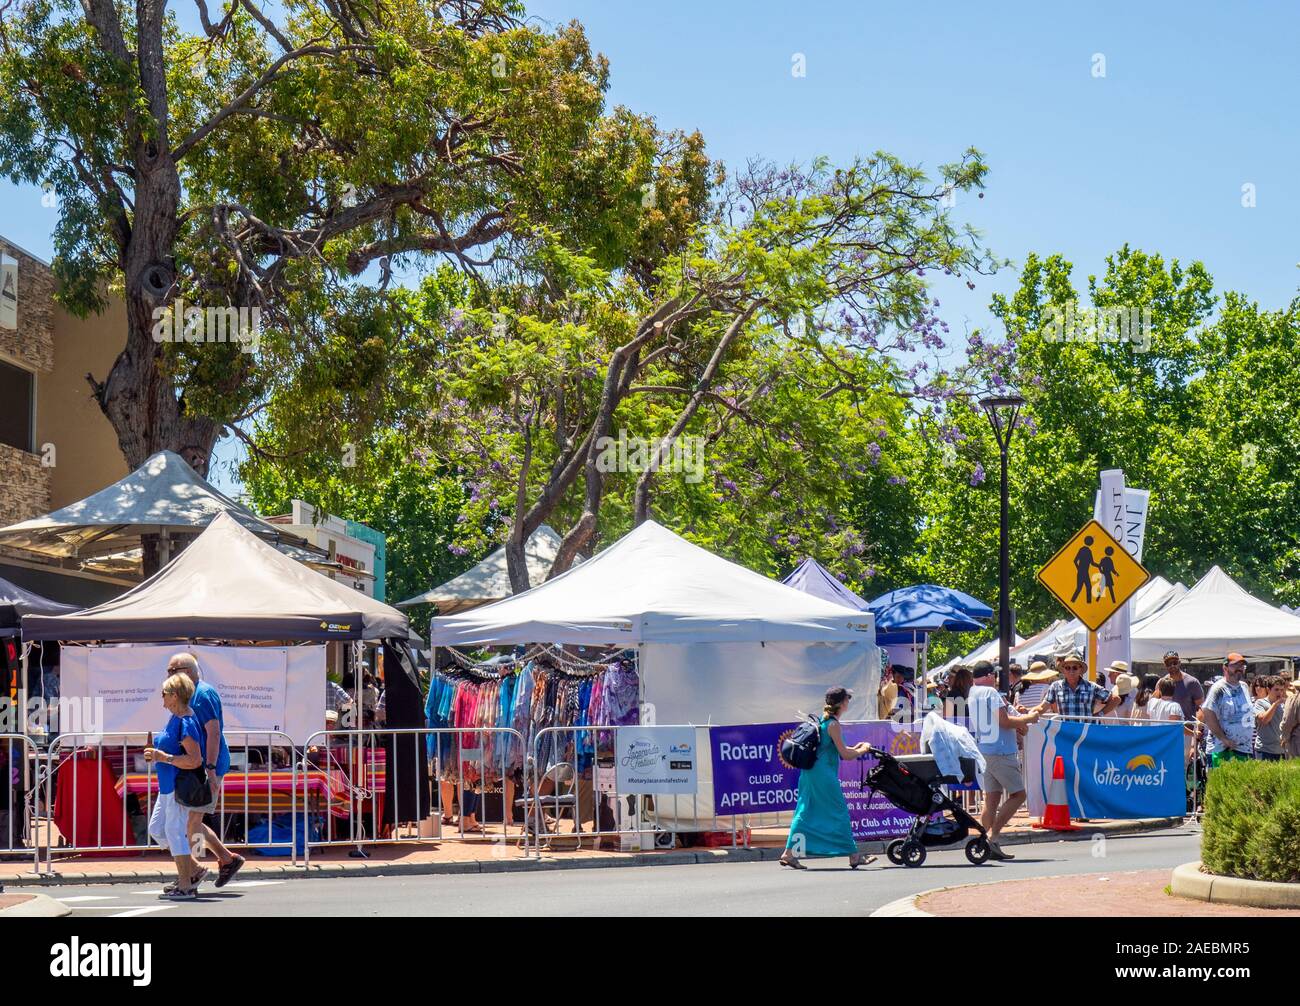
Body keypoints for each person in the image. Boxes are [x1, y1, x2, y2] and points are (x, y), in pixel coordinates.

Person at [167, 653, 245, 888]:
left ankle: (193, 871)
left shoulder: (203, 694)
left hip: (208, 765)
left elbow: (213, 731)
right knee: (192, 820)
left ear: (187, 670)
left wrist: (210, 769)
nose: (169, 675)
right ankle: (224, 860)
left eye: (172, 671)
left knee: (191, 821)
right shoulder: (190, 694)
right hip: (199, 765)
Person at [780, 687, 875, 870]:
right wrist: (865, 748)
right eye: (847, 698)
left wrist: (857, 747)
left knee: (805, 811)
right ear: (841, 703)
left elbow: (835, 749)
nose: (849, 700)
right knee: (839, 810)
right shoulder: (833, 725)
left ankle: (789, 853)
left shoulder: (825, 722)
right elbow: (845, 755)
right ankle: (854, 856)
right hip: (824, 775)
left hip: (810, 773)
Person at [968, 661, 1042, 860]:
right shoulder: (990, 693)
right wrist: (1028, 719)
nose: (996, 679)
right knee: (1018, 795)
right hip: (1001, 751)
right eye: (995, 675)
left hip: (985, 750)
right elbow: (1004, 721)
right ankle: (993, 837)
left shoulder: (973, 693)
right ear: (990, 675)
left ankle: (982, 843)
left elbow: (1002, 720)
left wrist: (1019, 722)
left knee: (991, 799)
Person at [143, 673, 206, 900]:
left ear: (175, 695)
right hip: (167, 786)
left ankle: (185, 884)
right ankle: (193, 870)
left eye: (164, 694)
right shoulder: (175, 718)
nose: (162, 699)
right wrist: (157, 756)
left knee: (173, 831)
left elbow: (194, 760)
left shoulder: (186, 722)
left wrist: (163, 757)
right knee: (157, 829)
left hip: (178, 786)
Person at [1201, 653, 1255, 767]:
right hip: (1223, 749)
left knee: (1242, 784)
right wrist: (1224, 739)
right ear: (1225, 667)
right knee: (1222, 784)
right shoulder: (1218, 688)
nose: (1239, 669)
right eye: (1235, 666)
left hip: (1244, 748)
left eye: (1242, 666)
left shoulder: (1244, 686)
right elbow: (1207, 713)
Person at [1037, 651, 1119, 719]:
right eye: (1067, 668)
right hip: (1065, 733)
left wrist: (1099, 715)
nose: (1071, 671)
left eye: (1075, 667)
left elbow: (1115, 699)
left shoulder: (1091, 687)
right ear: (1064, 670)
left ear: (1080, 670)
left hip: (1085, 733)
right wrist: (1027, 712)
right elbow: (1042, 708)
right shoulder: (1055, 686)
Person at [1157, 651, 1204, 722]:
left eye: (1175, 662)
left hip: (1188, 729)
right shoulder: (1161, 683)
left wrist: (1197, 725)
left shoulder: (1192, 682)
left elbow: (1200, 707)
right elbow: (1155, 704)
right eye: (1168, 663)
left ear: (1179, 663)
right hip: (1167, 729)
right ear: (1165, 665)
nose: (1172, 665)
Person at [1253, 675, 1287, 761]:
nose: (1279, 692)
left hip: (1281, 751)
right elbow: (1264, 720)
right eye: (1276, 689)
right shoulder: (1260, 703)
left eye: (1281, 690)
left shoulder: (1284, 705)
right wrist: (1275, 704)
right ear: (1268, 690)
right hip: (1264, 750)